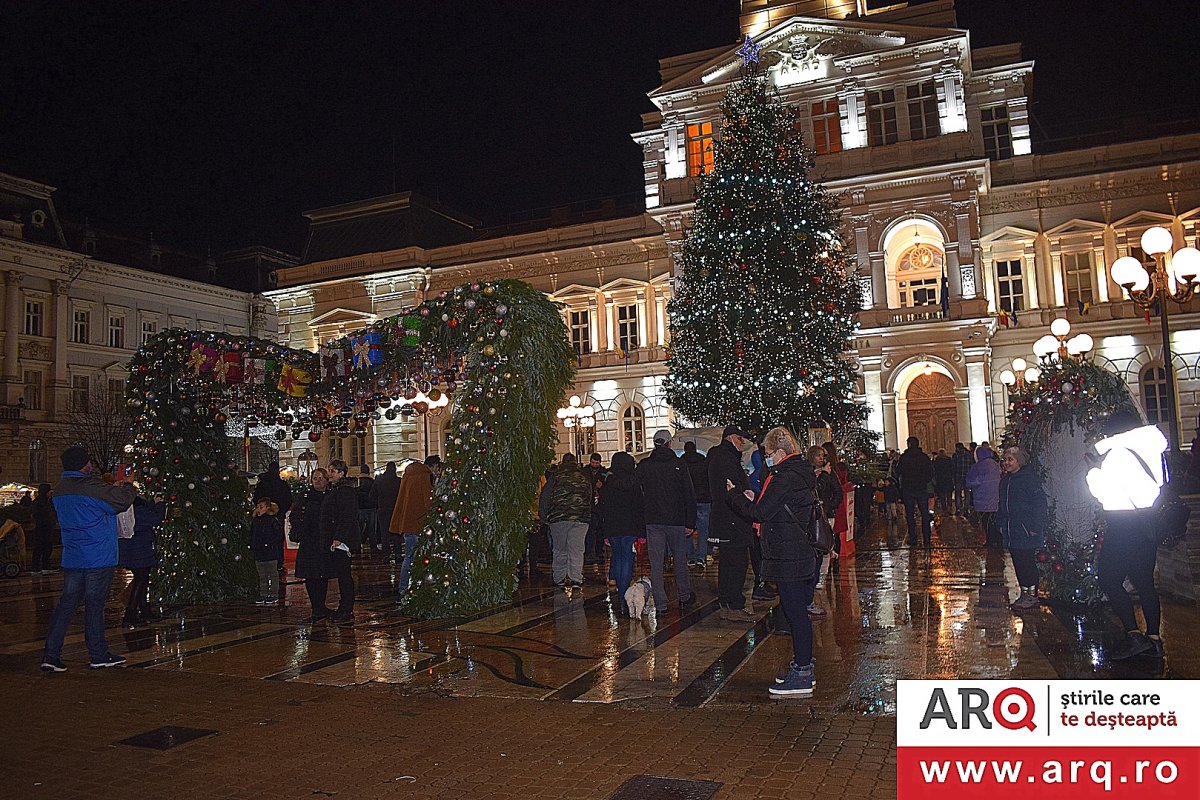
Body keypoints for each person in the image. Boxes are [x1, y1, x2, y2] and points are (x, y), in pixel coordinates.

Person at [726, 427, 818, 696]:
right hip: (800, 551)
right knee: (797, 611)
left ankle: (803, 673)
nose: (765, 458)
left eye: (767, 453)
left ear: (779, 452)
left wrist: (734, 496)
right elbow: (779, 507)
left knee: (796, 614)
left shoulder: (783, 477)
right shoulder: (801, 472)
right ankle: (803, 665)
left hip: (788, 554)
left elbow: (761, 513)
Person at [40, 445, 137, 672]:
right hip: (98, 556)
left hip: (73, 555)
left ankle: (50, 654)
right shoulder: (90, 486)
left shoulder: (61, 489)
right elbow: (121, 501)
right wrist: (129, 483)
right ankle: (98, 654)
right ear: (85, 464)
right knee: (95, 605)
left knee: (66, 605)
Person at [1092, 412, 1168, 660]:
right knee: (1144, 581)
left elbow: (1104, 492)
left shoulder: (1118, 454)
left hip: (1122, 523)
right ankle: (1154, 638)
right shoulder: (1151, 451)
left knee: (1109, 578)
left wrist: (1093, 473)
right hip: (1146, 523)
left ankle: (1134, 634)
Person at [635, 430, 696, 614]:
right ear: (669, 443)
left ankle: (661, 603)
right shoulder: (679, 464)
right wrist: (690, 522)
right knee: (679, 559)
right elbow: (688, 494)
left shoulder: (645, 466)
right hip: (676, 519)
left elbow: (636, 491)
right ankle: (684, 596)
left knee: (656, 563)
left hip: (653, 520)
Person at [708, 425, 757, 621]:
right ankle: (734, 605)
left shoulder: (720, 457)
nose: (742, 442)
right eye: (739, 438)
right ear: (729, 438)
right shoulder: (726, 458)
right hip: (733, 519)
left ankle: (727, 604)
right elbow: (730, 489)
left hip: (726, 518)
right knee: (737, 562)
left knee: (728, 563)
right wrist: (744, 496)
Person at [995, 447, 1047, 612]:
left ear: (1019, 461)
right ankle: (1024, 593)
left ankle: (1032, 595)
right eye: (1005, 459)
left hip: (1025, 529)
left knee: (1027, 562)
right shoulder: (1006, 481)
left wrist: (1033, 526)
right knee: (1018, 561)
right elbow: (1003, 505)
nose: (1007, 463)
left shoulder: (1028, 479)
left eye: (1011, 459)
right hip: (1012, 529)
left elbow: (1039, 504)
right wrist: (1002, 523)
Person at [592, 451, 644, 613]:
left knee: (619, 557)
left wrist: (605, 531)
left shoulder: (607, 484)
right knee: (627, 560)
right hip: (630, 528)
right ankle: (623, 595)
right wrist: (642, 533)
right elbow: (640, 509)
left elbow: (602, 508)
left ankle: (621, 595)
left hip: (613, 529)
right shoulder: (632, 484)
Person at [539, 453, 593, 588]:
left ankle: (559, 578)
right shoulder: (583, 477)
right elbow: (590, 496)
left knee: (560, 549)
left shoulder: (555, 477)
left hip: (558, 518)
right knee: (577, 549)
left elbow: (545, 497)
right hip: (580, 518)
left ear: (562, 462)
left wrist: (544, 516)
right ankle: (576, 578)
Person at [320, 459, 359, 623]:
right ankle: (343, 607)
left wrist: (338, 537)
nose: (330, 474)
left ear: (341, 473)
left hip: (343, 540)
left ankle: (346, 608)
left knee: (344, 574)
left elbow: (346, 516)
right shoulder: (335, 490)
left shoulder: (345, 492)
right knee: (341, 573)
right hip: (336, 537)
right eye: (329, 470)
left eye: (333, 471)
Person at [391, 456, 437, 594]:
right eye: (436, 468)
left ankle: (404, 588)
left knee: (409, 557)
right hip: (419, 522)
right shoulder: (424, 476)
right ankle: (417, 588)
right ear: (432, 466)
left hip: (408, 522)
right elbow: (427, 501)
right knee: (419, 557)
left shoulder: (408, 475)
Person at [291, 468, 332, 622]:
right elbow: (295, 515)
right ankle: (316, 607)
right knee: (310, 574)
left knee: (322, 574)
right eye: (315, 478)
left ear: (326, 480)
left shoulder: (329, 496)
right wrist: (300, 529)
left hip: (323, 540)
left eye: (321, 478)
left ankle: (321, 606)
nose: (318, 481)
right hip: (309, 540)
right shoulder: (306, 497)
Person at [807, 445, 843, 616]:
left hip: (826, 514)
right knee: (817, 546)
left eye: (823, 456)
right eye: (819, 456)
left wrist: (830, 507)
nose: (822, 458)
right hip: (814, 516)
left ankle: (822, 576)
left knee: (826, 546)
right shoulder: (810, 473)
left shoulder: (829, 473)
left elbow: (838, 492)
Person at [119, 491, 164, 627]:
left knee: (142, 579)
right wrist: (160, 505)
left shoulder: (126, 510)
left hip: (131, 550)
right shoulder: (138, 512)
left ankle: (144, 609)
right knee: (141, 580)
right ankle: (130, 613)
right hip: (140, 551)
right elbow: (156, 518)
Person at [897, 436, 934, 547]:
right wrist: (923, 481)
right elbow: (930, 472)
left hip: (908, 489)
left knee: (910, 515)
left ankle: (913, 538)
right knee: (924, 514)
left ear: (908, 444)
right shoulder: (924, 457)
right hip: (921, 489)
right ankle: (926, 539)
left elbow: (898, 471)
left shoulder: (904, 458)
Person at [681, 441, 711, 570]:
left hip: (687, 501)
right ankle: (701, 556)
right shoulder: (703, 462)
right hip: (704, 499)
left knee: (687, 530)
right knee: (703, 531)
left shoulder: (681, 463)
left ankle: (690, 557)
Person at [965, 444, 1001, 546]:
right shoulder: (995, 464)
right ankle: (998, 540)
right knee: (995, 520)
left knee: (986, 521)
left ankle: (990, 541)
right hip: (996, 497)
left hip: (983, 499)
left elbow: (972, 482)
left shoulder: (978, 466)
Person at [251, 498, 285, 605]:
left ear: (267, 508)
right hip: (259, 552)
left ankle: (273, 594)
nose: (258, 509)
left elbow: (278, 535)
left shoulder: (272, 520)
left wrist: (269, 544)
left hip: (270, 552)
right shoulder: (256, 521)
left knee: (272, 573)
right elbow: (253, 535)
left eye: (261, 507)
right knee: (262, 574)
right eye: (258, 507)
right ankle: (264, 593)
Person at [369, 462, 401, 562]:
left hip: (383, 510)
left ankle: (386, 555)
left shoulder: (379, 481)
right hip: (396, 510)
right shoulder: (399, 481)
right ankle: (398, 554)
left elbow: (372, 496)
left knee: (384, 533)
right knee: (396, 532)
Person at [581, 452, 608, 565]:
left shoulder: (604, 473)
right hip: (589, 505)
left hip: (600, 506)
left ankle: (598, 552)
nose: (594, 465)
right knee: (590, 530)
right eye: (593, 462)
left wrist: (602, 487)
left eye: (596, 463)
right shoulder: (585, 472)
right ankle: (590, 553)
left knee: (600, 530)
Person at [31, 483, 58, 574]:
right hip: (43, 528)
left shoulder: (43, 502)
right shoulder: (42, 503)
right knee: (42, 547)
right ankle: (41, 566)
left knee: (43, 547)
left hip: (43, 528)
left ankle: (39, 566)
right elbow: (42, 515)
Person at [356, 465, 378, 556]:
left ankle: (357, 547)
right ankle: (373, 547)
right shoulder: (372, 482)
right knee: (372, 529)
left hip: (360, 508)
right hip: (371, 508)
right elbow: (375, 494)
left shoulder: (358, 481)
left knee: (359, 528)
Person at [952, 442, 973, 517]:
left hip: (958, 477)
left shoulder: (956, 455)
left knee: (958, 493)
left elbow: (953, 467)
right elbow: (971, 466)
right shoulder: (969, 455)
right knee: (967, 493)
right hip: (967, 477)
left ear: (957, 448)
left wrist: (953, 476)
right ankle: (966, 509)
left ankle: (958, 509)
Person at [933, 448, 954, 513]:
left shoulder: (937, 460)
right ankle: (950, 507)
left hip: (940, 479)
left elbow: (934, 470)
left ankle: (944, 508)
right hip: (948, 479)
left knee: (942, 495)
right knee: (949, 494)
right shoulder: (949, 460)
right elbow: (952, 469)